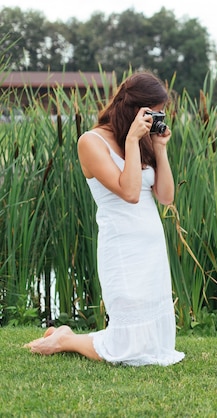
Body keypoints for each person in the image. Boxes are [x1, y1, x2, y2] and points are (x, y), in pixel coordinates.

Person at [25, 71, 185, 366]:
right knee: (128, 348)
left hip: (151, 245)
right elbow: (130, 192)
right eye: (154, 112)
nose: (158, 118)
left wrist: (160, 149)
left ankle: (68, 337)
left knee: (151, 347)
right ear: (137, 109)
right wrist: (134, 141)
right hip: (122, 245)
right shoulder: (91, 142)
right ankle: (66, 339)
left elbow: (165, 197)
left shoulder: (143, 141)